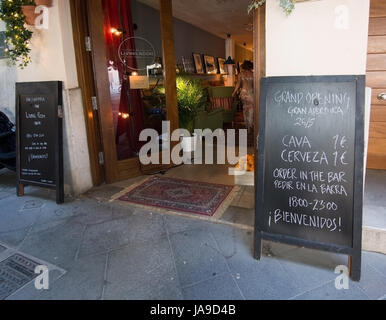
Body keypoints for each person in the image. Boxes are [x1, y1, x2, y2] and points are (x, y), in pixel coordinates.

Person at [232, 60, 254, 130]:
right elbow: (254, 86)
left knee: (245, 108)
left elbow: (238, 85)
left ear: (243, 66)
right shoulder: (253, 74)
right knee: (251, 109)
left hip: (243, 93)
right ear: (251, 66)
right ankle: (250, 125)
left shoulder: (240, 74)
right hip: (251, 93)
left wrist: (234, 92)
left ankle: (246, 125)